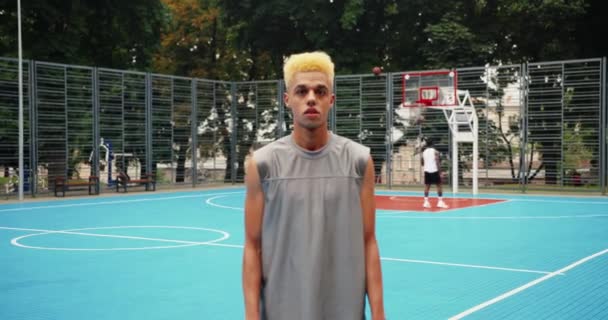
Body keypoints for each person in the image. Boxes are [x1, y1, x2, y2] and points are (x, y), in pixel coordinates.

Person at [242, 51, 386, 320]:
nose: (311, 98)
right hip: (281, 309)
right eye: (301, 91)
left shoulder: (359, 160)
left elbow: (369, 243)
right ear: (288, 100)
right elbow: (253, 246)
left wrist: (378, 313)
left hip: (344, 310)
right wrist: (251, 315)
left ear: (331, 100)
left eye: (320, 91)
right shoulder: (261, 164)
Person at [421, 139, 448, 208]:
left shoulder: (424, 152)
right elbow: (437, 162)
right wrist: (440, 172)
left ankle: (426, 202)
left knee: (427, 186)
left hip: (427, 171)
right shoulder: (435, 152)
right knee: (439, 186)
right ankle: (440, 202)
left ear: (427, 144)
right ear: (433, 144)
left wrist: (427, 164)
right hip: (434, 171)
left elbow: (422, 162)